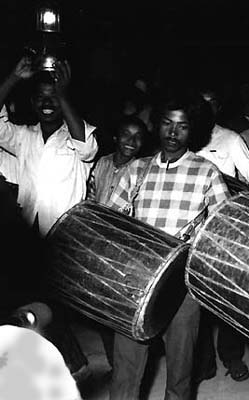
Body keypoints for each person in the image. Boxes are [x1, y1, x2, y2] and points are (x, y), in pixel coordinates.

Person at [106, 90, 230, 400]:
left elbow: (223, 232)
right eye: (167, 123)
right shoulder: (137, 169)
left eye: (182, 126)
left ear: (193, 129)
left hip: (182, 285)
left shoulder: (207, 172)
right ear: (157, 125)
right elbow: (110, 222)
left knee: (180, 371)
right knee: (125, 369)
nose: (173, 133)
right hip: (137, 281)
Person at [0, 56, 97, 383]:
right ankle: (71, 367)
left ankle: (79, 367)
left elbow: (87, 148)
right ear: (31, 102)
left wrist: (62, 93)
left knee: (52, 306)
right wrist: (14, 77)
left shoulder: (80, 134)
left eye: (53, 97)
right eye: (41, 97)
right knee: (36, 306)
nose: (47, 102)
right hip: (30, 238)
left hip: (66, 239)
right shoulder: (23, 136)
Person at [193, 87, 249, 384]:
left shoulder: (231, 139)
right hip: (189, 231)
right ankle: (203, 362)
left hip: (224, 228)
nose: (206, 110)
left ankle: (232, 357)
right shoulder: (184, 136)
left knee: (228, 295)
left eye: (212, 104)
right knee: (195, 298)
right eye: (201, 104)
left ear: (218, 108)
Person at [86, 115, 147, 369]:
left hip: (124, 248)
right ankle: (114, 364)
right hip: (98, 242)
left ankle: (126, 366)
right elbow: (91, 197)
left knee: (122, 308)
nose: (131, 141)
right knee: (100, 307)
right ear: (115, 137)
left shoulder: (143, 170)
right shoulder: (101, 163)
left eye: (138, 137)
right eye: (126, 134)